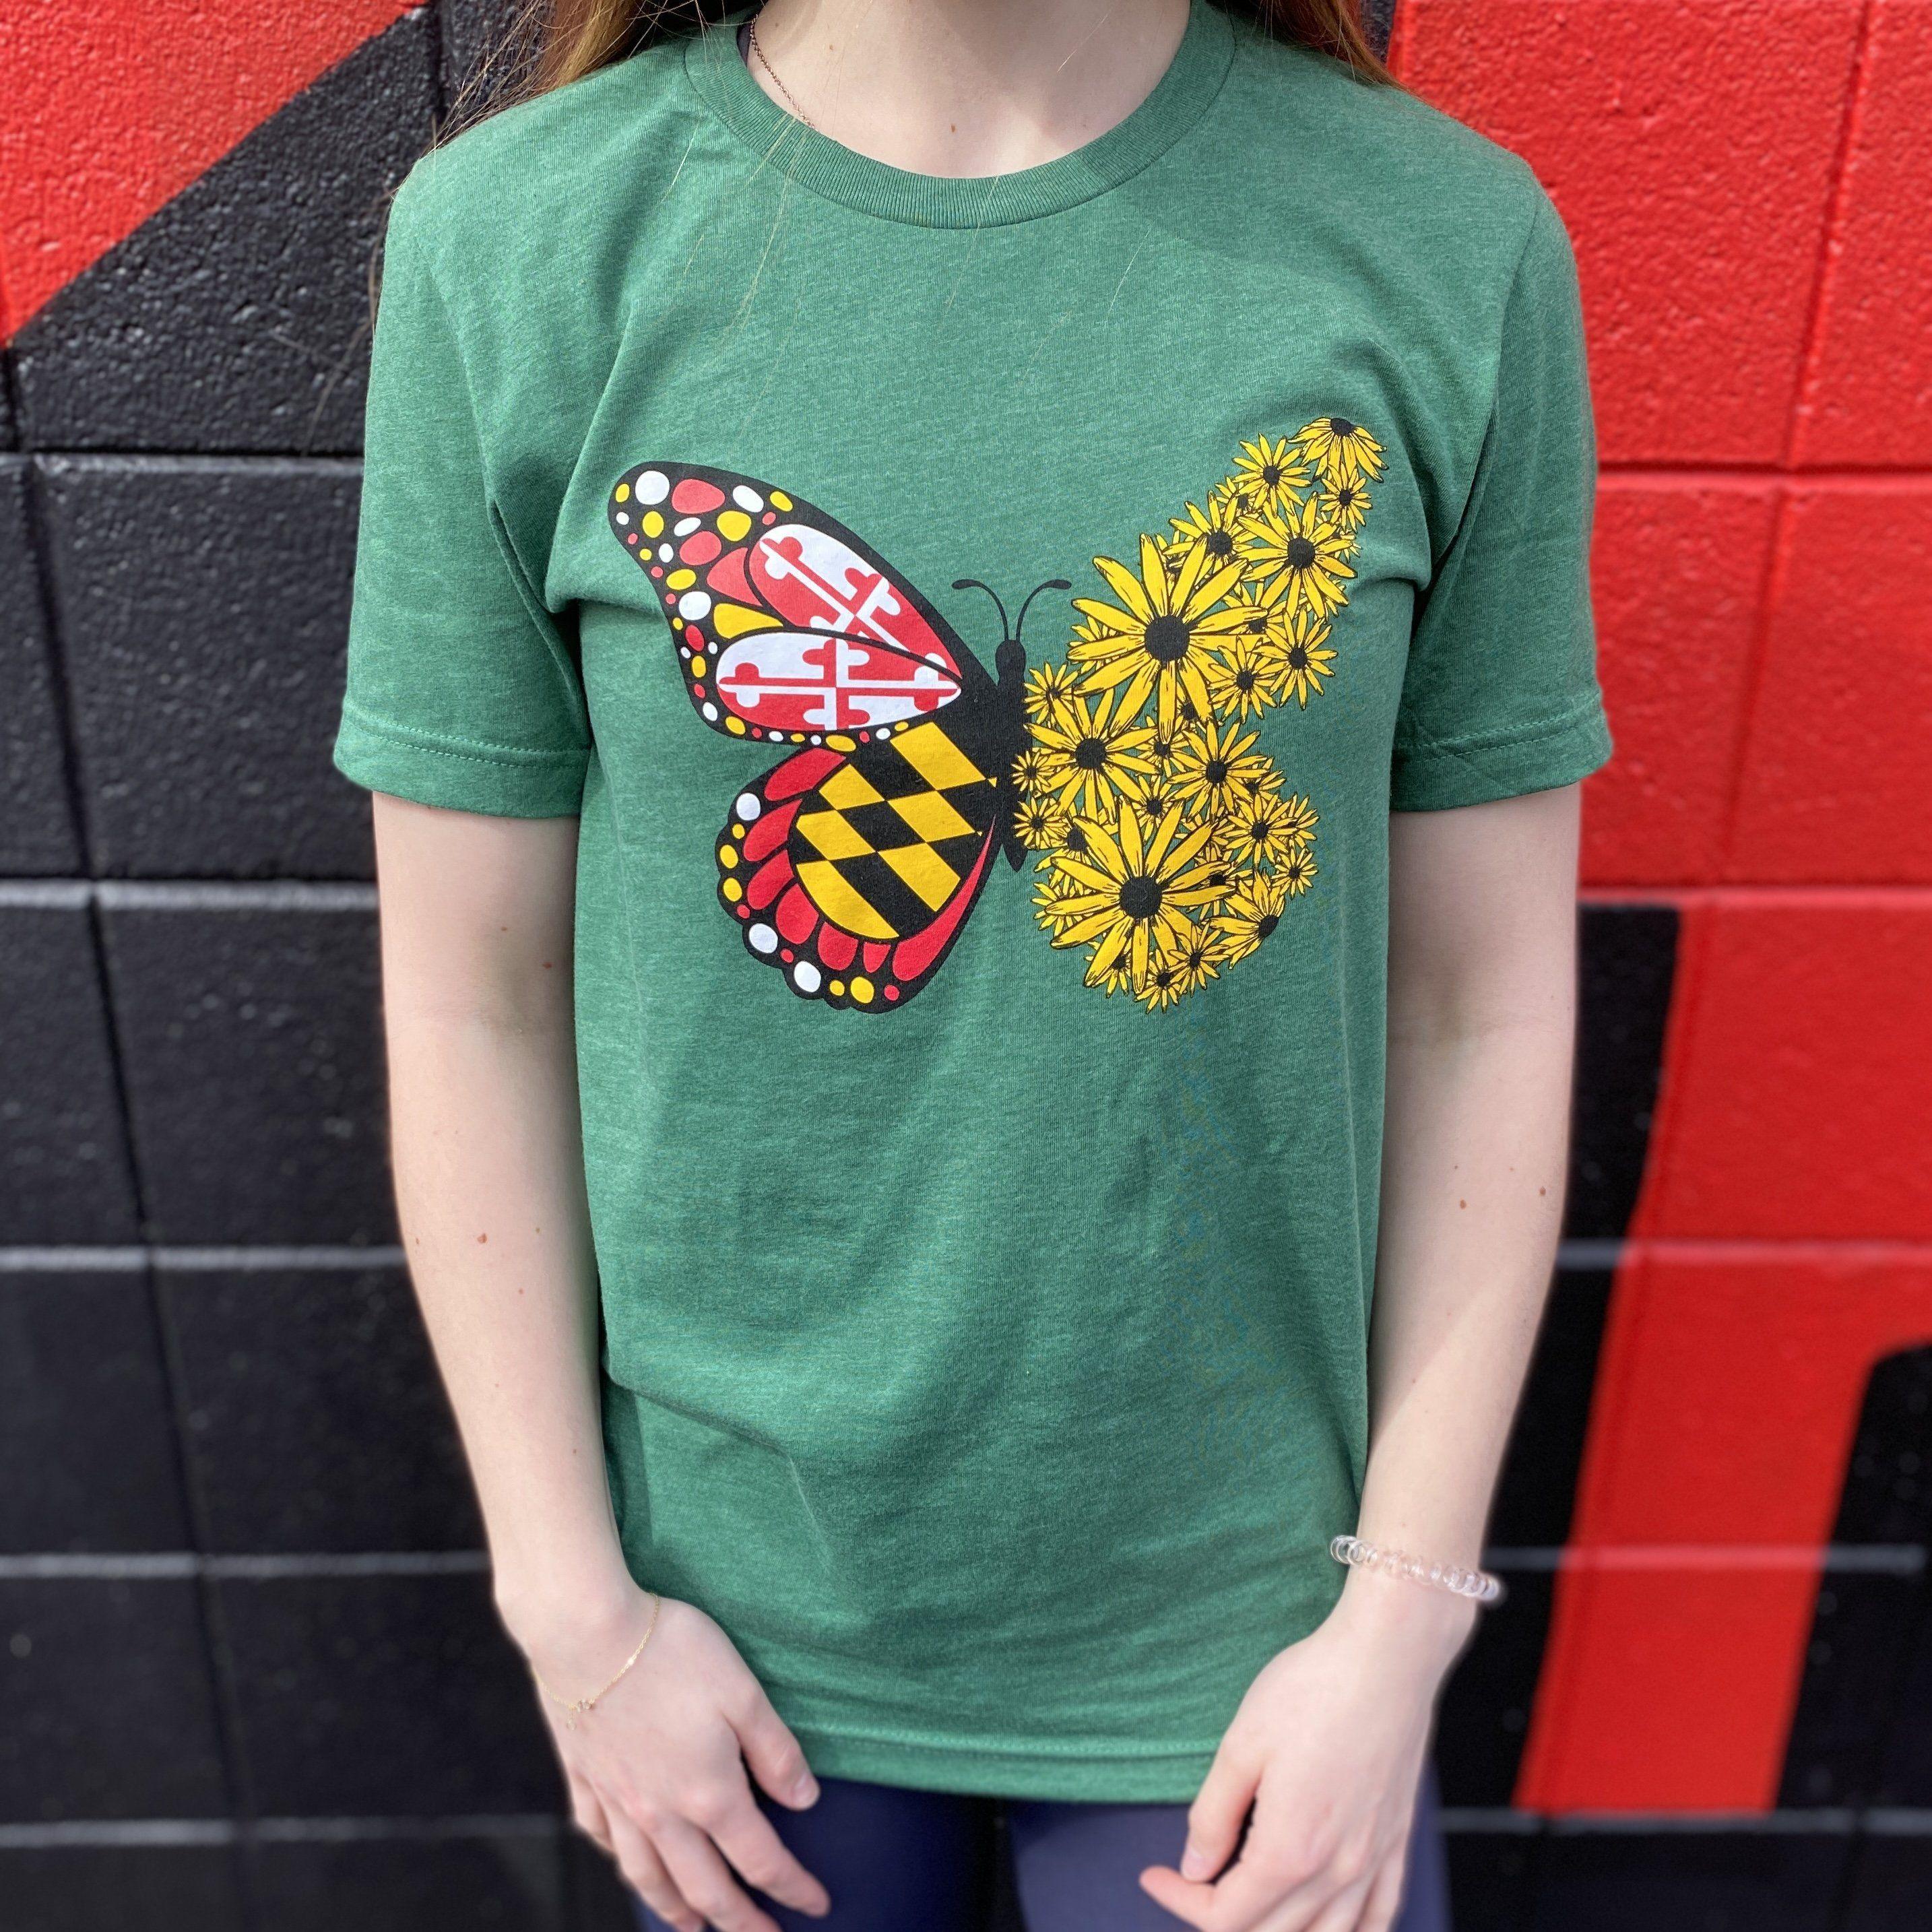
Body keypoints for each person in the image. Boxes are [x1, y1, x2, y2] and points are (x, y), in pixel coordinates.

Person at [333, 1, 1611, 1927]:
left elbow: (1477, 1005)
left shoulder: (1445, 241)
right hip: (731, 1637)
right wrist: (574, 1608)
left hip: (1255, 1638)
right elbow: (469, 997)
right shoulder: (517, 240)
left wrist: (1400, 1624)